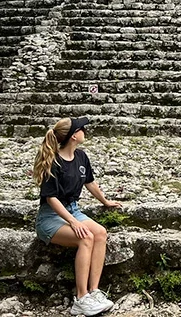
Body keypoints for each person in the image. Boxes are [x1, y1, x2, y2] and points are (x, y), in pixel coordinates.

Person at [32, 117, 121, 316]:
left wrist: (105, 202)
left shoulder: (81, 157)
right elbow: (50, 198)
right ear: (73, 135)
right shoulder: (53, 161)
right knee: (85, 237)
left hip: (72, 209)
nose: (85, 130)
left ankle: (93, 292)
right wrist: (72, 221)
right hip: (51, 216)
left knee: (100, 233)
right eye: (82, 128)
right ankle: (80, 299)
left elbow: (90, 182)